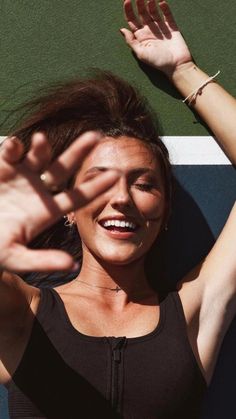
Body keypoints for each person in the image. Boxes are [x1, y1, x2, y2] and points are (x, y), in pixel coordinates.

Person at [0, 1, 235, 418]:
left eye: (144, 183)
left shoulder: (193, 313)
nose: (122, 197)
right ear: (67, 207)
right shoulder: (24, 313)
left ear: (163, 212)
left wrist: (182, 70)